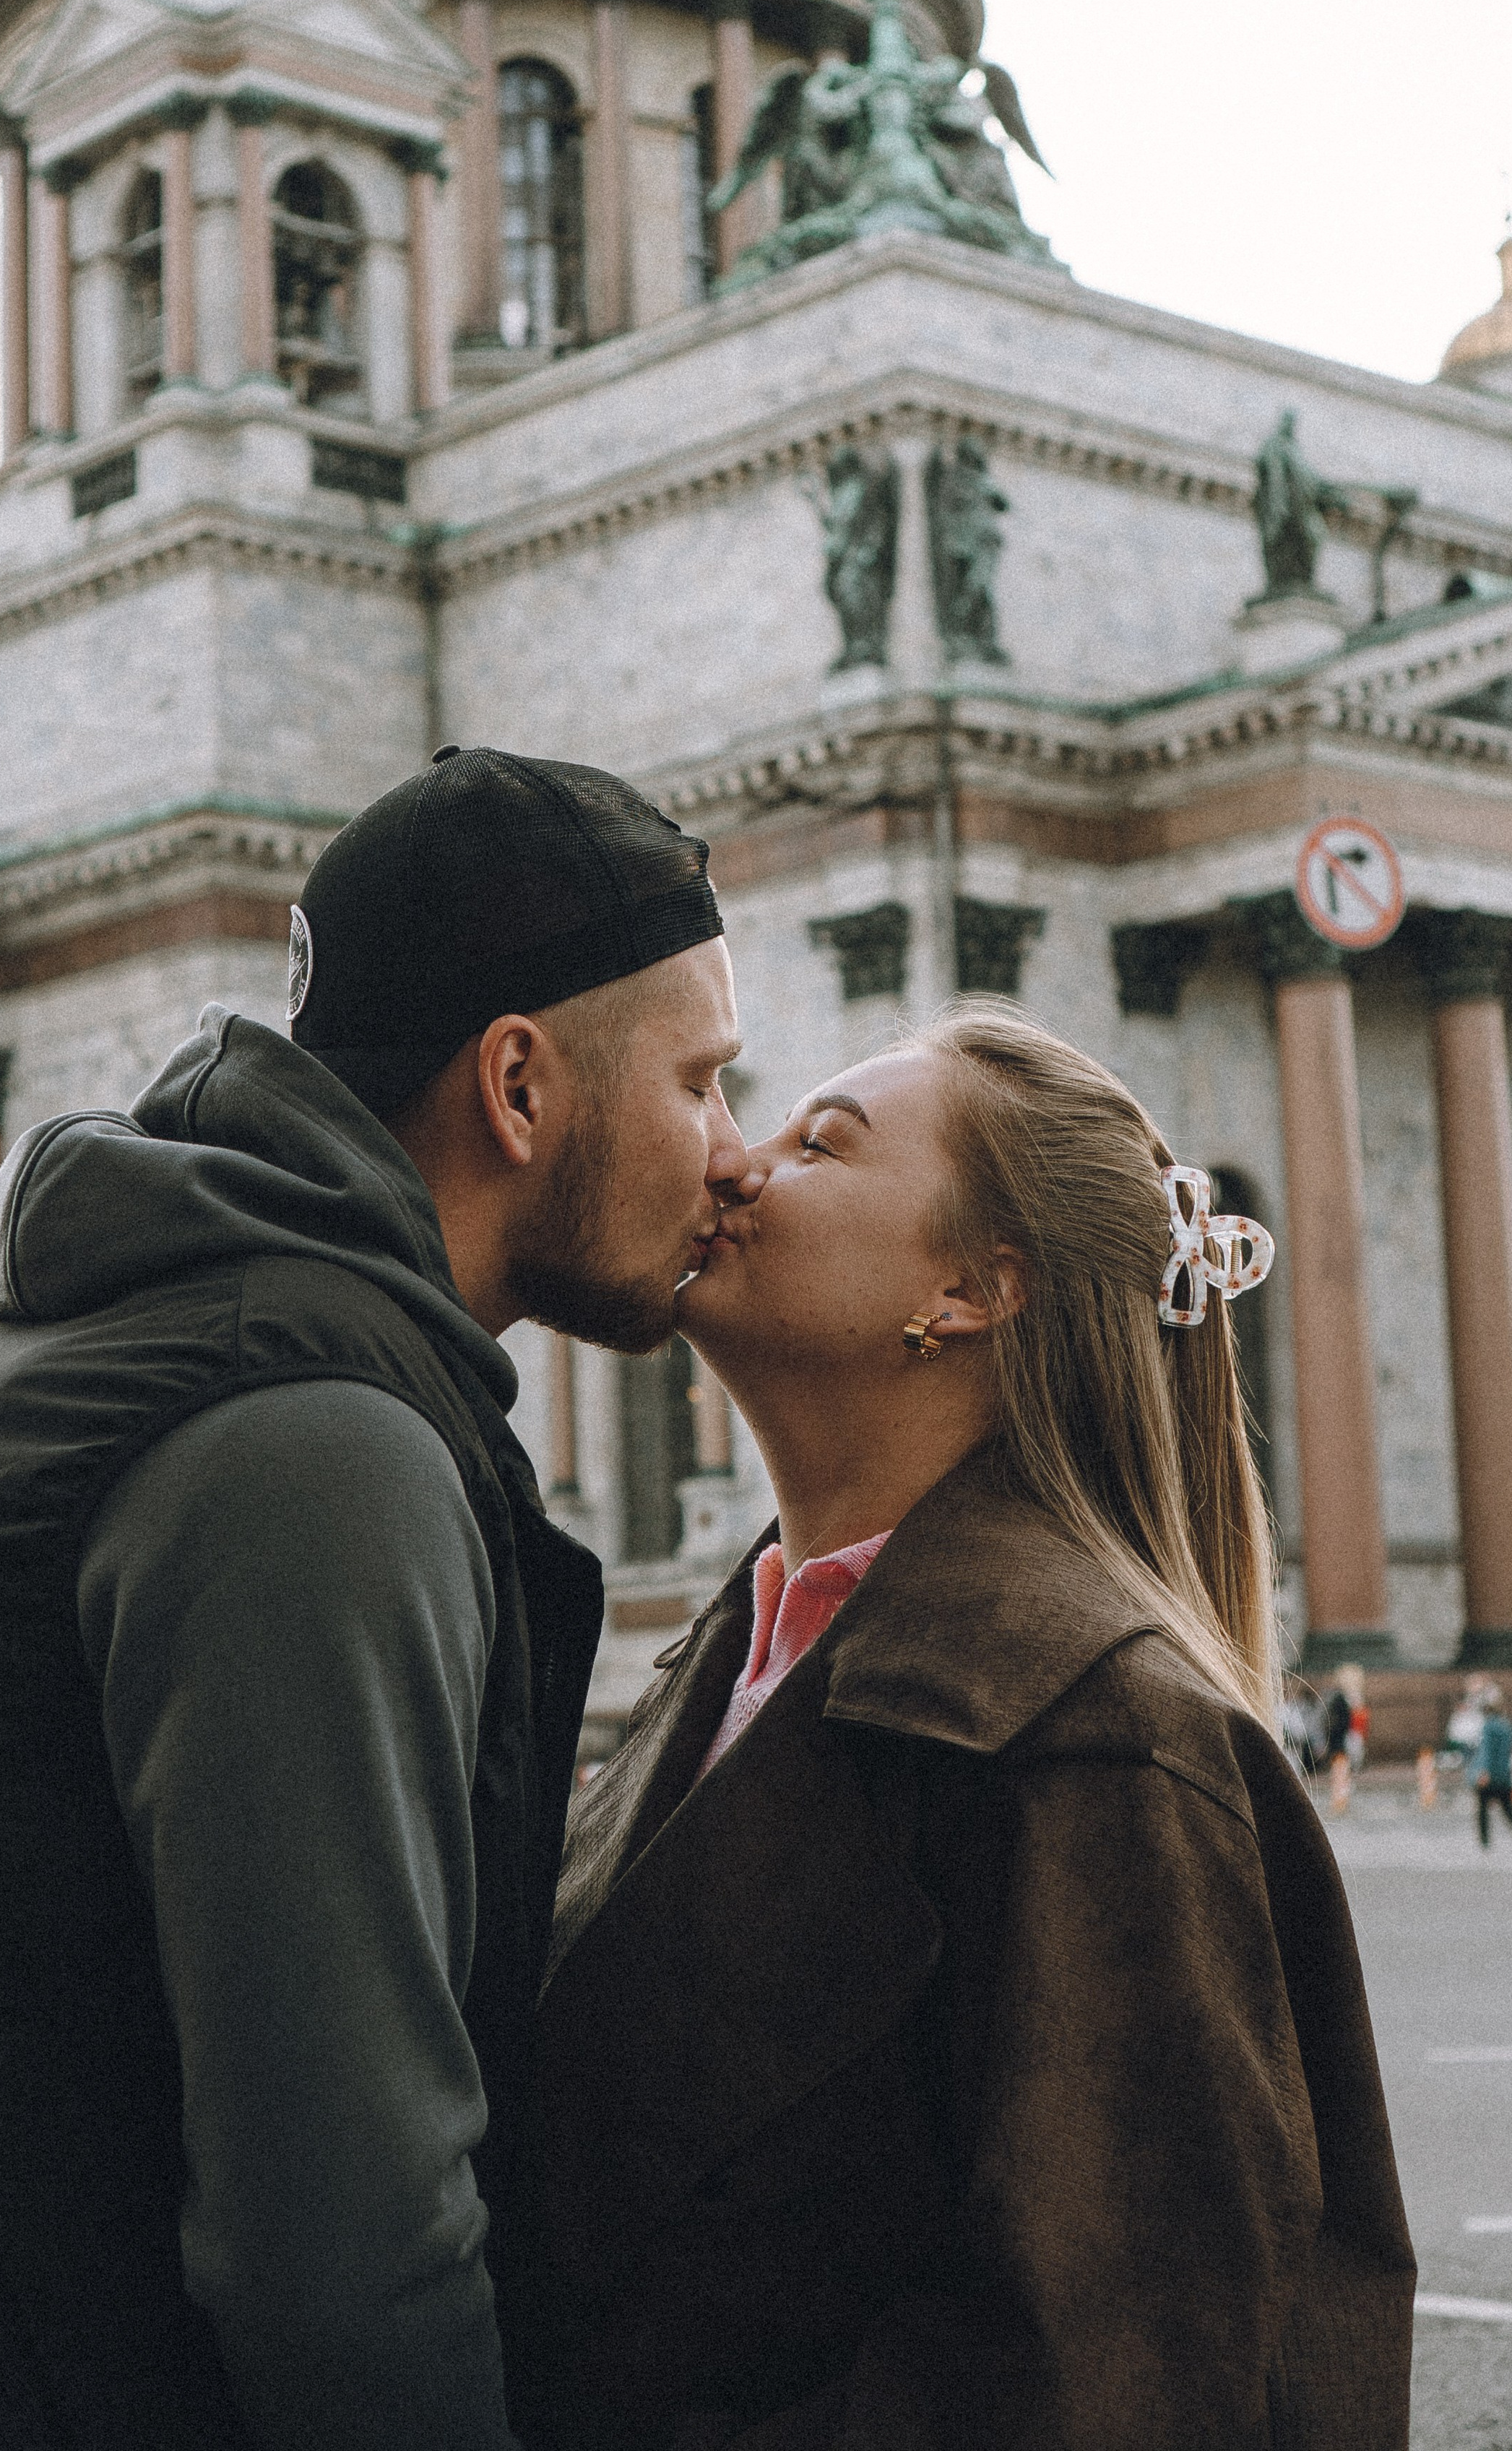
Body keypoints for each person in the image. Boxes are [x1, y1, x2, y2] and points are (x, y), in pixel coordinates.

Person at [0, 747, 746, 2451]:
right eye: (701, 1080)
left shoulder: (72, 1316)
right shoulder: (311, 1444)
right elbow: (345, 2249)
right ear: (520, 1084)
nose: (729, 1153)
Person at [506, 1003, 1413, 2451]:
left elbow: (1108, 2378)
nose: (734, 1161)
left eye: (821, 1142)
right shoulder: (746, 1654)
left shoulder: (1101, 1738)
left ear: (975, 1289)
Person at [1475, 1685, 1512, 1848]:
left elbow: (1487, 1752)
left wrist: (1484, 1772)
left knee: (1483, 1808)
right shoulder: (1507, 1726)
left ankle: (1484, 1840)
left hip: (1490, 1774)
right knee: (1507, 1809)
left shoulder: (1488, 1727)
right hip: (1504, 1774)